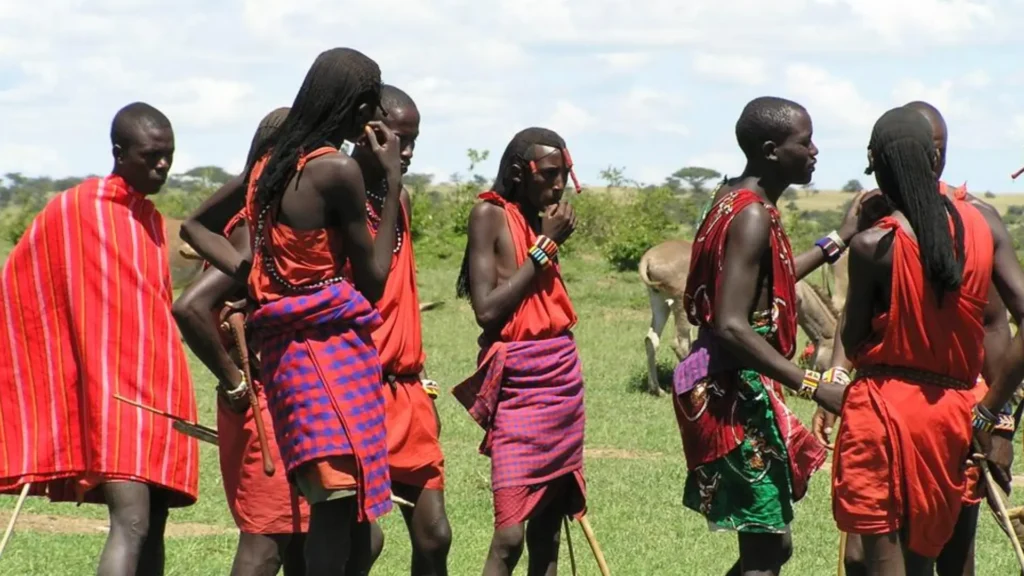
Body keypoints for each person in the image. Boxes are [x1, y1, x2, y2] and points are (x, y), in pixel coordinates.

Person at [181, 47, 405, 575]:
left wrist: (250, 274)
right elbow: (373, 282)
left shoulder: (269, 167)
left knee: (338, 513)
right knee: (333, 513)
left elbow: (194, 226)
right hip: (329, 356)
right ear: (357, 105)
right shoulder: (336, 171)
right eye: (369, 104)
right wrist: (390, 181)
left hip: (284, 360)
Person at [812, 100, 1019, 576]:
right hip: (953, 410)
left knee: (943, 555)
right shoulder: (981, 226)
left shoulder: (877, 242)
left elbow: (855, 329)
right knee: (884, 556)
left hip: (897, 410)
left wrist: (998, 420)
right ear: (928, 157)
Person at [0, 102, 198, 575]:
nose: (163, 165)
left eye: (168, 155)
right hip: (114, 399)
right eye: (151, 155)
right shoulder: (75, 210)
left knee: (155, 520)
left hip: (162, 393)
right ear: (118, 152)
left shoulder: (151, 221)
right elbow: (24, 289)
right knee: (130, 523)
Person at [672, 96, 865, 576]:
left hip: (729, 378)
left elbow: (768, 279)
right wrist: (813, 384)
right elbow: (733, 323)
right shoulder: (753, 215)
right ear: (771, 150)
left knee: (771, 547)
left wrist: (836, 240)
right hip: (734, 388)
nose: (816, 150)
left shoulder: (732, 198)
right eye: (805, 142)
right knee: (766, 551)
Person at [173, 107, 311, 576]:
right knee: (267, 541)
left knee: (304, 542)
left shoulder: (275, 223)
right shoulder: (251, 229)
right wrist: (235, 384)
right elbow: (190, 306)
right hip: (263, 408)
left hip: (285, 403)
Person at [452, 127, 586, 575]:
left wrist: (545, 238)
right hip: (519, 385)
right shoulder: (489, 214)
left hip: (560, 381)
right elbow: (487, 310)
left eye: (564, 175)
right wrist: (546, 246)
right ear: (518, 172)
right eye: (549, 174)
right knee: (509, 536)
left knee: (547, 528)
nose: (558, 185)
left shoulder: (538, 216)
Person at [348, 85, 453, 576]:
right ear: (367, 133)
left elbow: (403, 299)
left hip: (408, 392)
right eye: (397, 139)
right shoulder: (336, 197)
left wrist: (424, 381)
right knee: (360, 543)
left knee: (434, 536)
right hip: (357, 391)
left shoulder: (401, 199)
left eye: (412, 142)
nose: (405, 153)